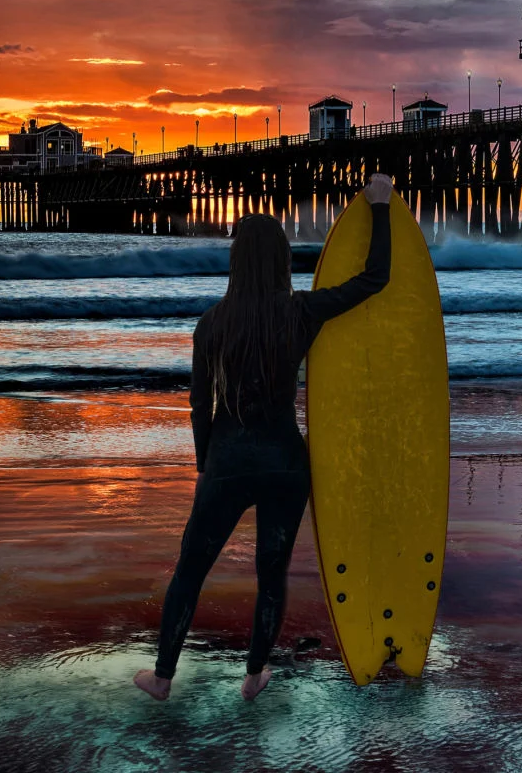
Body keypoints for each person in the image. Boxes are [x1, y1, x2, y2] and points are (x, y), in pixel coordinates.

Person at [133, 172, 394, 702]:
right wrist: (381, 207)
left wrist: (206, 464)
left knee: (191, 569)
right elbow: (374, 279)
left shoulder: (212, 323)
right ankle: (254, 675)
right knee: (271, 573)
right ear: (279, 260)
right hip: (285, 464)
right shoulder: (300, 312)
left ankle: (162, 677)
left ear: (236, 262)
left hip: (227, 463)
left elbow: (200, 404)